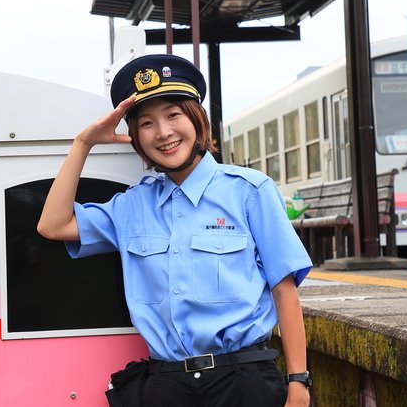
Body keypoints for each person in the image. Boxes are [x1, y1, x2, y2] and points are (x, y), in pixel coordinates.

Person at [37, 54, 313, 407]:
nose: (164, 133)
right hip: (165, 386)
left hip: (244, 382)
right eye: (147, 123)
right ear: (136, 136)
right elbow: (53, 225)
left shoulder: (249, 191)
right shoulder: (133, 206)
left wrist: (298, 383)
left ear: (196, 120)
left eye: (173, 115)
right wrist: (83, 144)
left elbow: (284, 290)